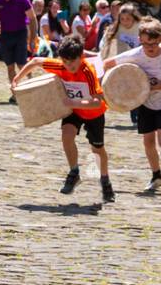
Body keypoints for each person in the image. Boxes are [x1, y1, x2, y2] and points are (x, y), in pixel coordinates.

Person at [12, 34, 115, 203]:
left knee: (97, 150)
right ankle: (74, 173)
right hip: (73, 111)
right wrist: (18, 78)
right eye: (65, 62)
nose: (69, 66)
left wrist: (74, 101)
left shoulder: (88, 72)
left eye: (72, 62)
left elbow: (97, 102)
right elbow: (36, 61)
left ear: (81, 57)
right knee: (66, 136)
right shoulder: (61, 66)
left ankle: (105, 182)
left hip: (93, 113)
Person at [102, 18, 161, 192]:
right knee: (148, 142)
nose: (150, 48)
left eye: (154, 44)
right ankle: (156, 176)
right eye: (145, 44)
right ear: (140, 40)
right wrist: (116, 87)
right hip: (144, 102)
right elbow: (107, 64)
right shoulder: (135, 54)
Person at [0, 0, 35, 99]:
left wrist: (32, 38)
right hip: (5, 35)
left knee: (21, 64)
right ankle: (15, 93)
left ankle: (31, 83)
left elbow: (32, 19)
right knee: (10, 66)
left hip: (20, 34)